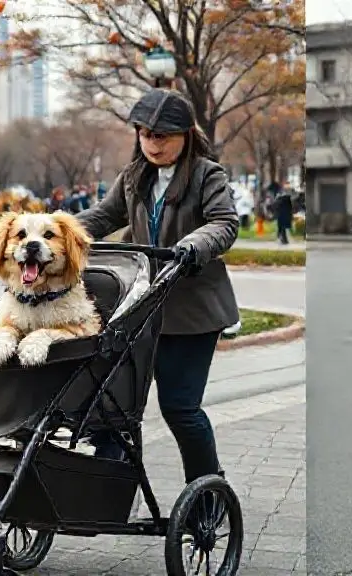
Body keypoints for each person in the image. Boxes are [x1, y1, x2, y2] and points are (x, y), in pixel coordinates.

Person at [76, 88, 239, 485]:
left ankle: (206, 490)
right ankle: (109, 486)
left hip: (192, 313)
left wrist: (191, 246)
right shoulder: (134, 177)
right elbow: (103, 217)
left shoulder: (206, 175)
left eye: (161, 135)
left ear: (185, 134)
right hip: (140, 308)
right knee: (111, 401)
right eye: (145, 134)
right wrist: (51, 231)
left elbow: (224, 223)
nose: (152, 143)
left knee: (180, 408)